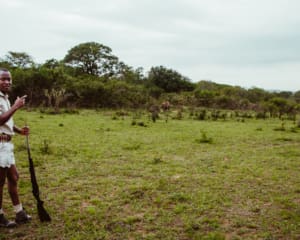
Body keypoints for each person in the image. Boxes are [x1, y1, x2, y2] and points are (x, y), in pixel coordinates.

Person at [0, 68, 31, 227]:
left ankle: (19, 213)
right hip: (0, 145)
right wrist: (16, 106)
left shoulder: (4, 98)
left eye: (9, 79)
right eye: (3, 79)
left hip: (7, 144)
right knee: (0, 181)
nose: (6, 82)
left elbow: (7, 122)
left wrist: (19, 131)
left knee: (14, 177)